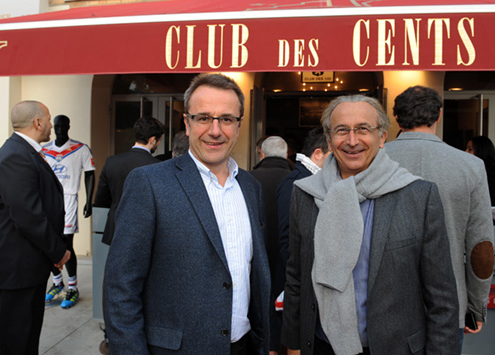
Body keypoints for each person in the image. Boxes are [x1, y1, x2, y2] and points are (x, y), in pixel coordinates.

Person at [104, 73, 271, 354]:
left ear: (239, 126)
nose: (215, 130)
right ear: (187, 122)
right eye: (204, 118)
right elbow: (120, 288)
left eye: (226, 119)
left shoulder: (251, 187)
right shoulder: (149, 183)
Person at [282, 94, 459, 355]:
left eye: (363, 129)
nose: (352, 141)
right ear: (329, 139)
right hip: (321, 346)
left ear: (383, 137)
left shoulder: (418, 196)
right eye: (342, 131)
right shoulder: (306, 193)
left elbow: (442, 297)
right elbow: (296, 277)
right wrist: (292, 344)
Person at [386, 86, 495, 346]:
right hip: (449, 302)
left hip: (384, 303)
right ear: (439, 116)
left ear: (397, 119)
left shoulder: (375, 161)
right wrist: (477, 305)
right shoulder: (471, 166)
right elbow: (482, 248)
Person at [0, 100, 70, 355]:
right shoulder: (15, 157)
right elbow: (28, 217)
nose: (52, 125)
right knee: (16, 340)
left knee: (27, 336)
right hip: (15, 267)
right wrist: (59, 251)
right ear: (37, 122)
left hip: (25, 266)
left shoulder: (23, 152)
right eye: (49, 119)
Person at [271, 126, 330, 354]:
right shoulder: (295, 182)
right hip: (297, 287)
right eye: (332, 155)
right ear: (317, 154)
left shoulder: (314, 179)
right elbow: (288, 242)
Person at [41, 114, 95, 309]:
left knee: (66, 243)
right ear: (53, 127)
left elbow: (90, 173)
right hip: (48, 200)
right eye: (57, 126)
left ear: (69, 126)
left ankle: (72, 287)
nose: (61, 129)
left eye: (64, 126)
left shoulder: (80, 149)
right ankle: (57, 283)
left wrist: (89, 200)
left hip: (69, 199)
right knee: (47, 242)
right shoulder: (44, 150)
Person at [94, 115, 165, 246]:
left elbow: (101, 199)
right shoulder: (158, 166)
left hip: (116, 226)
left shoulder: (111, 162)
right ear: (152, 140)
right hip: (146, 230)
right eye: (159, 140)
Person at [250, 135, 293, 282]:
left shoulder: (248, 180)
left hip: (256, 257)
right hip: (288, 261)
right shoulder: (299, 181)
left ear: (262, 154)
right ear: (286, 155)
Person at [466, 135, 495, 206]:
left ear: (481, 151)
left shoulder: (490, 174)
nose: (466, 152)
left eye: (470, 149)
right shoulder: (493, 171)